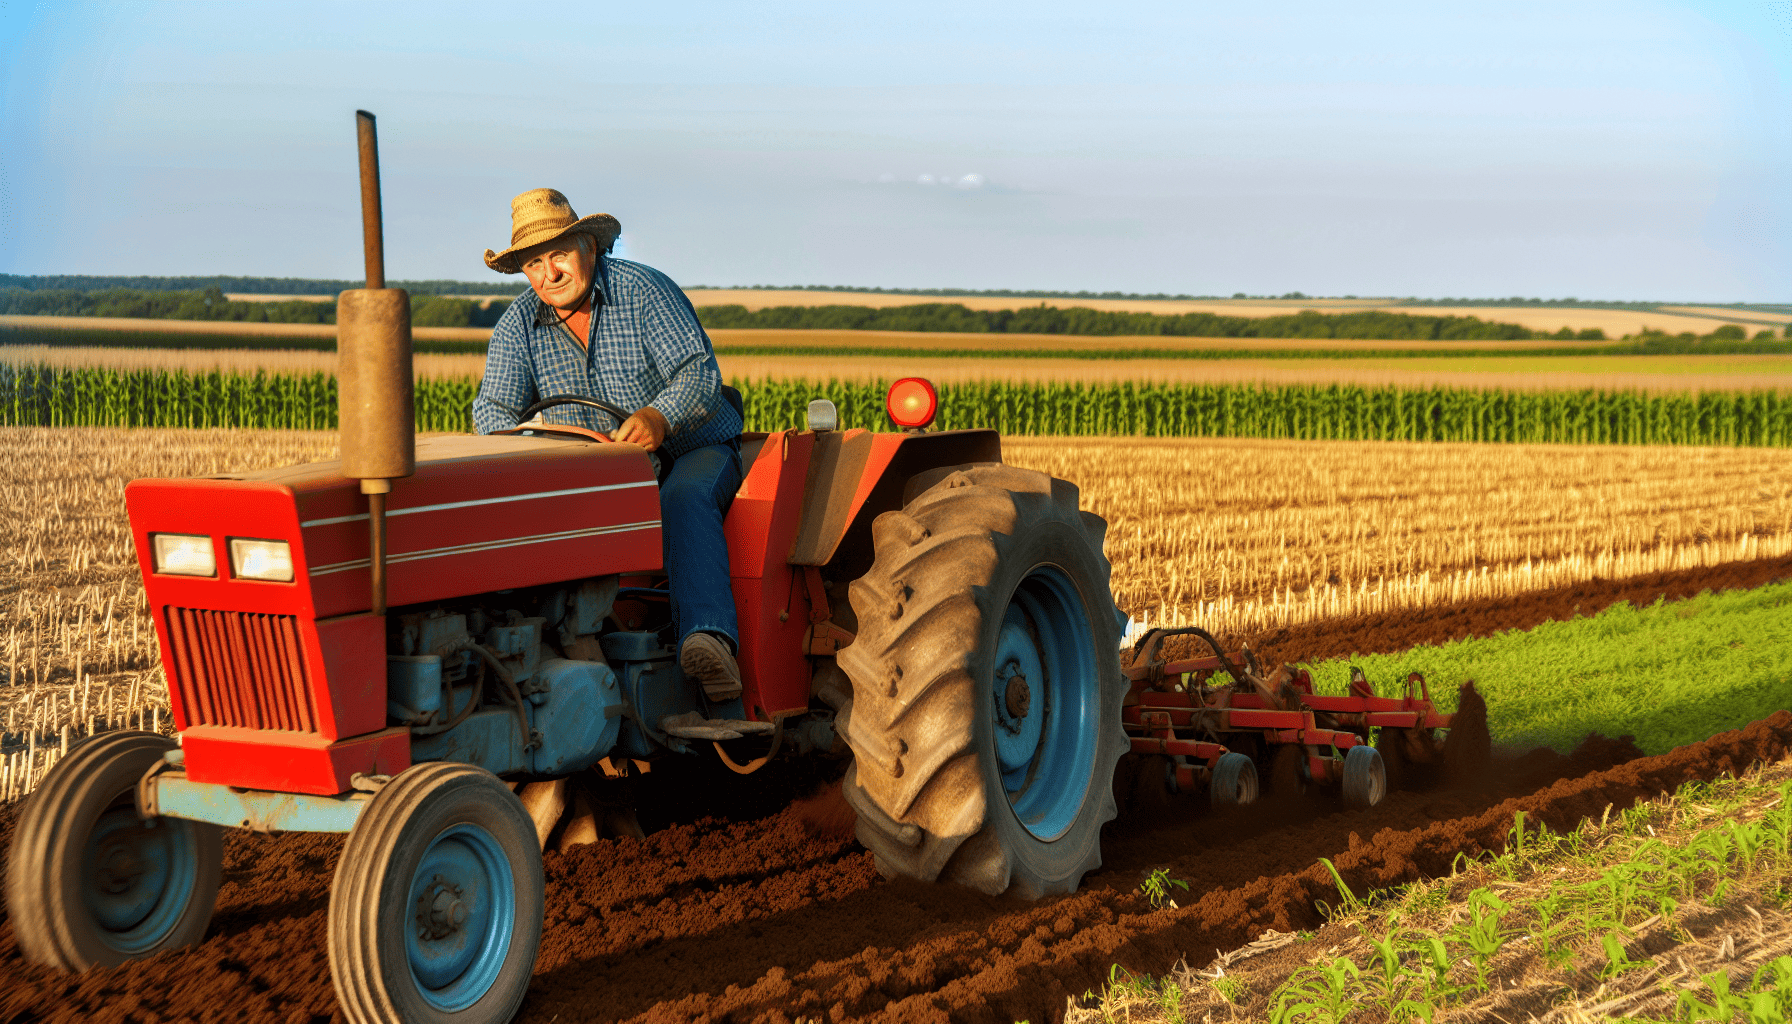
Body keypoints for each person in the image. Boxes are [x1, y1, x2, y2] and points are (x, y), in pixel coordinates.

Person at [473, 188, 744, 704]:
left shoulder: (644, 291)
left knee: (682, 499)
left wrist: (658, 417)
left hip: (688, 448)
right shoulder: (517, 327)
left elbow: (698, 374)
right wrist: (531, 446)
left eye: (558, 255)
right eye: (534, 263)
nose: (549, 273)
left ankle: (710, 641)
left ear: (590, 249)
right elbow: (493, 412)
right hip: (596, 470)